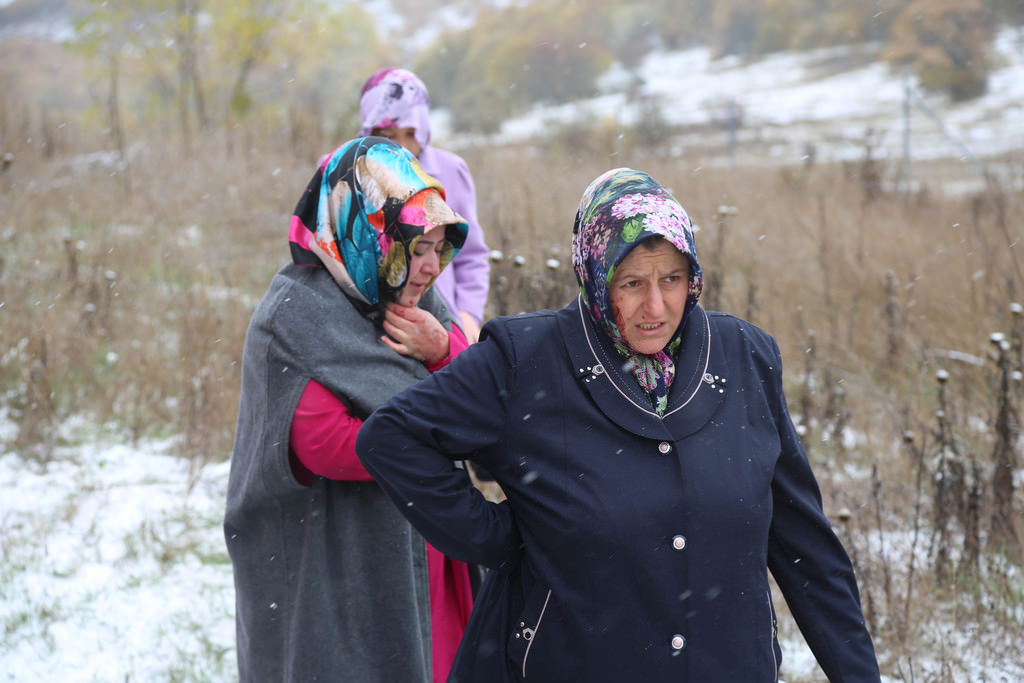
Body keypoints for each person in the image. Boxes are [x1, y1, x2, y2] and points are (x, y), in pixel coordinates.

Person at [356, 168, 882, 681]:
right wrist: (498, 538)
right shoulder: (525, 360)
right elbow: (392, 437)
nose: (656, 305)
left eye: (672, 279)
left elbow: (806, 550)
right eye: (631, 283)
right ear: (594, 275)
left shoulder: (745, 357)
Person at [224, 137, 476, 682]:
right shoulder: (295, 316)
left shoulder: (417, 301)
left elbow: (480, 394)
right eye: (417, 247)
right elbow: (333, 447)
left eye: (439, 248)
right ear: (368, 231)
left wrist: (441, 351)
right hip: (342, 558)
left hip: (428, 552)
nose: (430, 267)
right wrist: (443, 426)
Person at [358, 67, 490, 342]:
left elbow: (471, 255)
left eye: (411, 133)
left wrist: (468, 315)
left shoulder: (450, 170)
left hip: (442, 328)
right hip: (367, 328)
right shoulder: (346, 174)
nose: (403, 147)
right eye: (389, 135)